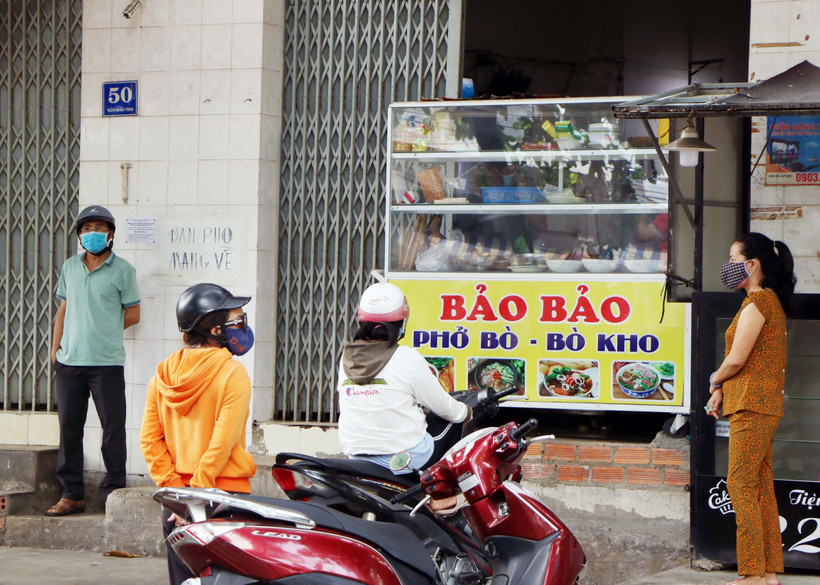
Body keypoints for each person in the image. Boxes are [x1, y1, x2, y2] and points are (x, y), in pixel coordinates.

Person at [140, 283, 257, 585]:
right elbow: (223, 442)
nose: (244, 327)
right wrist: (199, 494)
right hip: (224, 498)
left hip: (176, 504)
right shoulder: (232, 373)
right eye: (238, 321)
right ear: (216, 330)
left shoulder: (162, 376)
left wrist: (180, 497)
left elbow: (150, 440)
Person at [706, 233, 796, 585]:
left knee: (740, 485)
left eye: (733, 258)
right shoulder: (764, 301)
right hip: (756, 402)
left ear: (752, 264)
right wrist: (720, 390)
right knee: (758, 486)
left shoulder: (758, 302)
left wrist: (714, 380)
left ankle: (752, 573)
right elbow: (746, 363)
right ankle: (768, 573)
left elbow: (736, 359)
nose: (727, 266)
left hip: (753, 406)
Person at [46, 205, 140, 517]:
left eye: (99, 227)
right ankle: (72, 494)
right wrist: (55, 349)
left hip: (107, 363)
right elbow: (63, 310)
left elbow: (133, 313)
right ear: (80, 235)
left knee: (112, 429)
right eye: (87, 229)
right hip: (70, 363)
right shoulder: (70, 267)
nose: (93, 234)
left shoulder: (123, 270)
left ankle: (112, 494)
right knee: (69, 428)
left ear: (110, 234)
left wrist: (104, 329)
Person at [337, 281, 471, 474]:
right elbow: (445, 408)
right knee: (451, 422)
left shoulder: (346, 358)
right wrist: (467, 412)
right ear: (401, 322)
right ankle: (441, 495)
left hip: (355, 456)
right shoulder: (406, 357)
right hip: (406, 458)